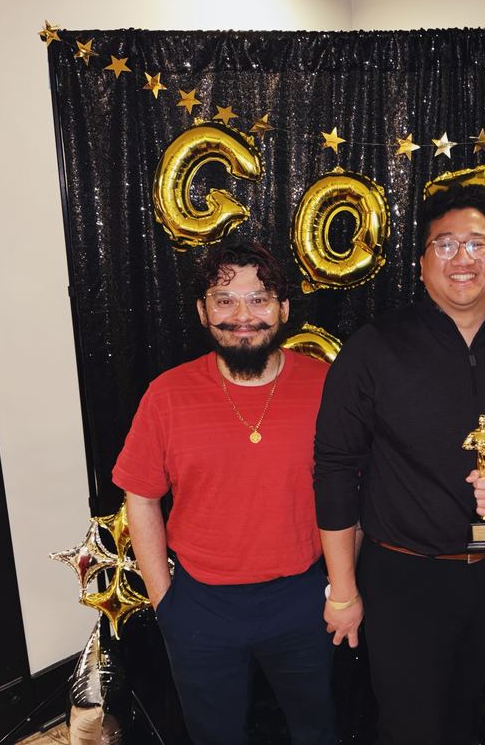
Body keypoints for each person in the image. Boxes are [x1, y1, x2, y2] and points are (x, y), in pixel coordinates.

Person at [314, 184, 485, 745]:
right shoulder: (374, 348)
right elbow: (335, 469)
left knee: (463, 715)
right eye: (446, 244)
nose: (463, 259)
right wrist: (342, 589)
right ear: (422, 263)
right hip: (403, 574)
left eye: (477, 243)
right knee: (410, 728)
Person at [112, 239, 335, 745]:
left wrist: (340, 584)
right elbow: (141, 496)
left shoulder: (327, 386)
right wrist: (165, 601)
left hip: (302, 597)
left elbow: (355, 490)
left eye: (259, 299)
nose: (243, 315)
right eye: (225, 299)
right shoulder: (167, 394)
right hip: (200, 603)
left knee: (316, 731)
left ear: (283, 309)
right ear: (202, 311)